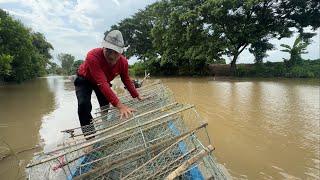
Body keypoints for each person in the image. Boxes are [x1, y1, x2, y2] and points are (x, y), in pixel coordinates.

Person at [74, 30, 142, 138]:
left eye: (116, 52)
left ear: (120, 52)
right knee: (83, 105)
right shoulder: (92, 56)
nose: (111, 55)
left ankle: (104, 124)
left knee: (105, 104)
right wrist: (121, 106)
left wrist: (137, 95)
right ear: (103, 47)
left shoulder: (123, 62)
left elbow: (126, 80)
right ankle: (89, 137)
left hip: (103, 81)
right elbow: (102, 84)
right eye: (108, 51)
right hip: (85, 79)